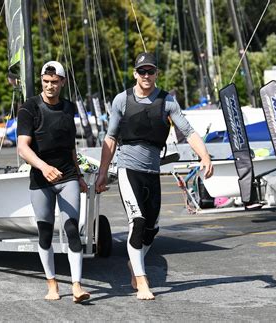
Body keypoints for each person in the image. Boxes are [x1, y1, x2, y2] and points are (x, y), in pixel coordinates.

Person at [95, 52, 213, 300]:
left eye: (150, 71)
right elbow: (111, 138)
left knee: (151, 229)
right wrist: (103, 172)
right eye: (142, 71)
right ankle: (141, 280)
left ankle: (133, 263)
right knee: (137, 221)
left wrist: (205, 156)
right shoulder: (122, 100)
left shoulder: (167, 101)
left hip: (152, 171)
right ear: (135, 73)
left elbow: (188, 131)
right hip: (128, 169)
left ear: (156, 73)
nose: (146, 76)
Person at [17, 61, 90, 303]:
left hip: (67, 175)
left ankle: (77, 286)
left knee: (72, 230)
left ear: (62, 82)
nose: (50, 86)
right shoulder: (29, 108)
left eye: (54, 82)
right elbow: (22, 147)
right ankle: (52, 284)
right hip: (41, 178)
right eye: (46, 82)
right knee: (45, 234)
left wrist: (78, 175)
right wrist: (44, 167)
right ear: (41, 81)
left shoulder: (69, 108)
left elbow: (71, 146)